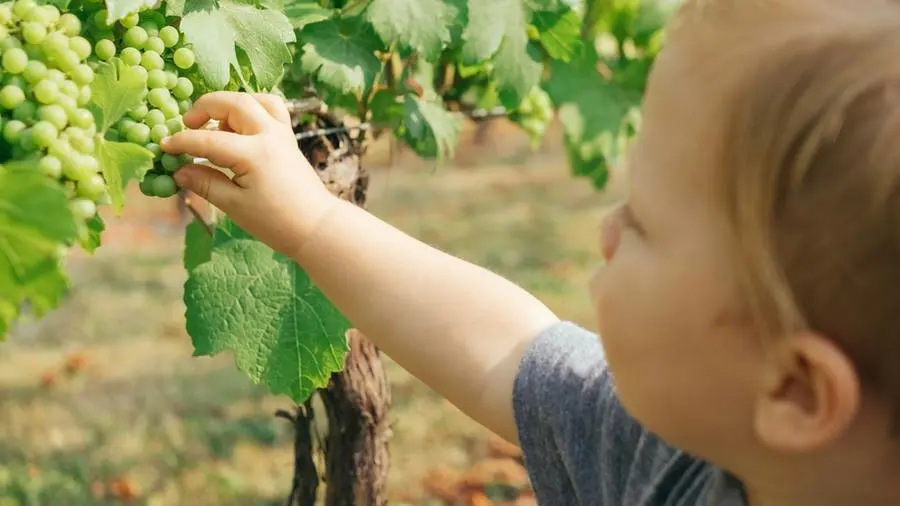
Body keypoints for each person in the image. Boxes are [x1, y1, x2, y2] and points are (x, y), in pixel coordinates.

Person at [159, 1, 900, 504]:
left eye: (642, 223)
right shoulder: (687, 449)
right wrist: (311, 223)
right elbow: (507, 347)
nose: (607, 229)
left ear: (798, 391)